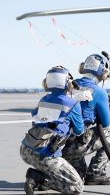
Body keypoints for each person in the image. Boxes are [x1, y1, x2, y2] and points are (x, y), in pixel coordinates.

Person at [20, 66, 85, 195]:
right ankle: (37, 178)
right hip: (46, 154)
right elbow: (79, 131)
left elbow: (37, 120)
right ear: (66, 82)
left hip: (26, 149)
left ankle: (40, 174)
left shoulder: (43, 100)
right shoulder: (73, 104)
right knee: (77, 187)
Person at [62, 53, 110, 185]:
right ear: (102, 71)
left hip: (61, 145)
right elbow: (106, 123)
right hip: (75, 144)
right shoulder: (99, 92)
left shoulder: (70, 86)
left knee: (79, 176)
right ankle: (96, 173)